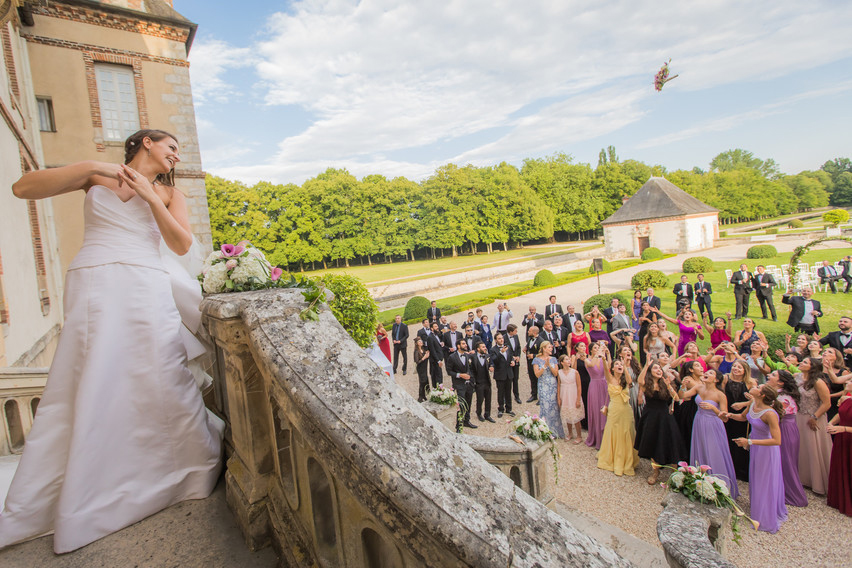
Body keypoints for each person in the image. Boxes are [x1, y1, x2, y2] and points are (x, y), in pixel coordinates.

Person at [0, 129, 224, 553]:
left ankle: (176, 472)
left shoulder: (172, 195)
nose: (176, 154)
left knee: (156, 373)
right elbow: (22, 188)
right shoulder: (96, 177)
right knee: (90, 376)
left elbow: (180, 245)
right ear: (146, 143)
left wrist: (151, 196)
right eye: (170, 146)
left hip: (144, 283)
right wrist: (93, 167)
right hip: (93, 282)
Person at [730, 386, 787, 533]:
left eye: (758, 387)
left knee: (764, 480)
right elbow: (743, 417)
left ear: (761, 395)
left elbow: (777, 440)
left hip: (767, 450)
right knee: (756, 477)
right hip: (755, 447)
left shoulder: (770, 414)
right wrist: (728, 415)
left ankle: (766, 515)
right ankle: (758, 506)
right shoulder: (752, 404)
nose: (754, 387)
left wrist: (749, 442)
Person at [682, 369, 739, 498]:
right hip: (699, 421)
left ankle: (719, 487)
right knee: (700, 449)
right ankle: (699, 484)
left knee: (714, 452)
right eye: (707, 372)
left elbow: (724, 418)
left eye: (711, 373)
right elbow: (682, 396)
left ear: (716, 379)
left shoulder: (720, 395)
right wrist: (683, 386)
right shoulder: (699, 387)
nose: (706, 373)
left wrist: (713, 408)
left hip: (713, 424)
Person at [635, 360, 687, 484]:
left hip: (665, 417)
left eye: (659, 369)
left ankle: (675, 473)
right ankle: (655, 471)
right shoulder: (646, 384)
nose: (658, 370)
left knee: (670, 442)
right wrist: (647, 364)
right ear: (650, 372)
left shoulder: (665, 383)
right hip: (650, 416)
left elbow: (676, 398)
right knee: (652, 443)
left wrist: (669, 385)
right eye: (655, 369)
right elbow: (639, 381)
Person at [766, 370, 808, 507]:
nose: (768, 376)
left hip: (784, 430)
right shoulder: (778, 394)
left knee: (786, 462)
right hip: (784, 428)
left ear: (780, 382)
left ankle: (794, 495)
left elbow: (775, 415)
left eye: (772, 375)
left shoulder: (782, 398)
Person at [795, 357, 833, 494]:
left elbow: (827, 403)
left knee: (814, 448)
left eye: (805, 362)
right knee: (801, 448)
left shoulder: (818, 382)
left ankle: (818, 482)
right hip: (799, 416)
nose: (801, 363)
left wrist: (815, 416)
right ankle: (803, 478)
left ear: (812, 367)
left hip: (814, 417)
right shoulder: (797, 377)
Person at [597, 360, 640, 476]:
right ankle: (612, 459)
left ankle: (628, 461)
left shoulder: (625, 379)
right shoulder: (610, 378)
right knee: (613, 432)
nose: (619, 366)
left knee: (628, 433)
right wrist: (605, 359)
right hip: (614, 411)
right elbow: (605, 369)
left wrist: (625, 367)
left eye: (620, 364)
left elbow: (630, 382)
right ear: (613, 368)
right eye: (617, 364)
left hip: (626, 411)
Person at [722, 359, 756, 482]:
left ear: (744, 371)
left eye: (739, 367)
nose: (736, 369)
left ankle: (741, 470)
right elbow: (721, 394)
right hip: (727, 412)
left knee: (741, 441)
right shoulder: (726, 379)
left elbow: (755, 399)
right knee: (728, 439)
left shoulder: (751, 383)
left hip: (743, 415)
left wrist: (744, 403)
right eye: (734, 366)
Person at [827, 381, 852, 517]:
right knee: (841, 467)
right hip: (842, 439)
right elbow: (840, 414)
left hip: (848, 437)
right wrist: (830, 423)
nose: (848, 382)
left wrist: (842, 429)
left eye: (851, 381)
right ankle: (840, 498)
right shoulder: (846, 398)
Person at [533, 342, 565, 438]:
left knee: (554, 407)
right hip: (543, 384)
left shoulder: (554, 359)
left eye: (551, 347)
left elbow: (555, 373)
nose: (551, 349)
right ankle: (545, 430)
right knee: (545, 407)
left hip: (552, 384)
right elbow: (537, 374)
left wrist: (550, 365)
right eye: (549, 347)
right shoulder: (536, 360)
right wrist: (544, 366)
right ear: (544, 348)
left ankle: (556, 431)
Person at [585, 342, 611, 450]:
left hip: (604, 385)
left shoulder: (602, 359)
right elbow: (591, 365)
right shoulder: (588, 360)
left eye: (598, 348)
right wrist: (598, 353)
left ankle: (607, 438)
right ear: (591, 350)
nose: (597, 349)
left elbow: (609, 367)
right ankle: (597, 438)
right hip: (594, 386)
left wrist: (608, 355)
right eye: (595, 348)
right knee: (596, 411)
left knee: (607, 409)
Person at [446, 340, 476, 431]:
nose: (466, 345)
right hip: (459, 384)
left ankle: (467, 420)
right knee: (461, 404)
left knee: (469, 403)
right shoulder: (452, 357)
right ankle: (459, 425)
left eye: (465, 343)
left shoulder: (468, 356)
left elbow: (471, 368)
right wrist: (460, 375)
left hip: (469, 384)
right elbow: (449, 371)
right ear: (458, 346)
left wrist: (471, 378)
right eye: (463, 344)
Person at [557, 355, 584, 443]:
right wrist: (558, 398)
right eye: (566, 359)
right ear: (562, 362)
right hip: (564, 395)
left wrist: (578, 399)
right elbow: (558, 386)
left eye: (569, 359)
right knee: (567, 415)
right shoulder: (559, 372)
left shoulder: (575, 372)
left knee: (575, 416)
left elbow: (579, 386)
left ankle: (579, 435)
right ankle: (570, 433)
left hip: (573, 395)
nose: (569, 361)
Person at [489, 332, 515, 418]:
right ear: (496, 340)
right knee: (500, 392)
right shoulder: (493, 350)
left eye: (502, 338)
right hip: (500, 374)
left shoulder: (508, 347)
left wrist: (512, 362)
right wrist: (501, 352)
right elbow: (494, 361)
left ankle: (509, 408)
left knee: (508, 391)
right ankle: (500, 409)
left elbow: (511, 357)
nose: (501, 340)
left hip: (508, 373)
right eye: (499, 338)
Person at [471, 341, 494, 423]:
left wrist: (491, 366)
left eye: (485, 346)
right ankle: (479, 413)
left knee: (488, 399)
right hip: (478, 382)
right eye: (483, 347)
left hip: (487, 381)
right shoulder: (473, 357)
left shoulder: (488, 356)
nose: (485, 348)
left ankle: (487, 415)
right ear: (478, 349)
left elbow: (491, 363)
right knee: (480, 399)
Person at [524, 325, 544, 402]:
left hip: (538, 363)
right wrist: (526, 347)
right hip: (530, 362)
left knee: (538, 379)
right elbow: (529, 345)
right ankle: (534, 395)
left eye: (529, 331)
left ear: (534, 332)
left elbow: (543, 353)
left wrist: (534, 355)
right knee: (532, 378)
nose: (528, 332)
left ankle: (541, 397)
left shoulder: (541, 341)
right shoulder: (530, 339)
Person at [505, 324, 523, 405]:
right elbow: (504, 350)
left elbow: (518, 347)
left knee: (516, 379)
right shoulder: (504, 338)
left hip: (516, 361)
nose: (517, 332)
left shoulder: (516, 336)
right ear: (510, 331)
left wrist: (518, 356)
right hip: (508, 362)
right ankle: (506, 397)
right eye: (515, 330)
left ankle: (517, 396)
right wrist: (512, 357)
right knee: (508, 380)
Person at [427, 322, 445, 389]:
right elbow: (432, 350)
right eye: (435, 326)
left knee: (439, 375)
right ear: (431, 328)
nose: (437, 327)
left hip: (439, 358)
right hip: (435, 361)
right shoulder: (430, 337)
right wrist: (438, 361)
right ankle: (438, 391)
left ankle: (440, 389)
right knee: (437, 376)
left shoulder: (436, 335)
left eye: (437, 326)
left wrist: (441, 344)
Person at [413, 337, 430, 402]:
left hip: (424, 367)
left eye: (421, 341)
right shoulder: (416, 351)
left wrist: (427, 355)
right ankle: (420, 397)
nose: (421, 342)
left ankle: (424, 395)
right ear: (417, 343)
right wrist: (424, 357)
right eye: (419, 342)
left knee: (425, 380)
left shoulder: (423, 349)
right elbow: (417, 361)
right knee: (422, 381)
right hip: (420, 368)